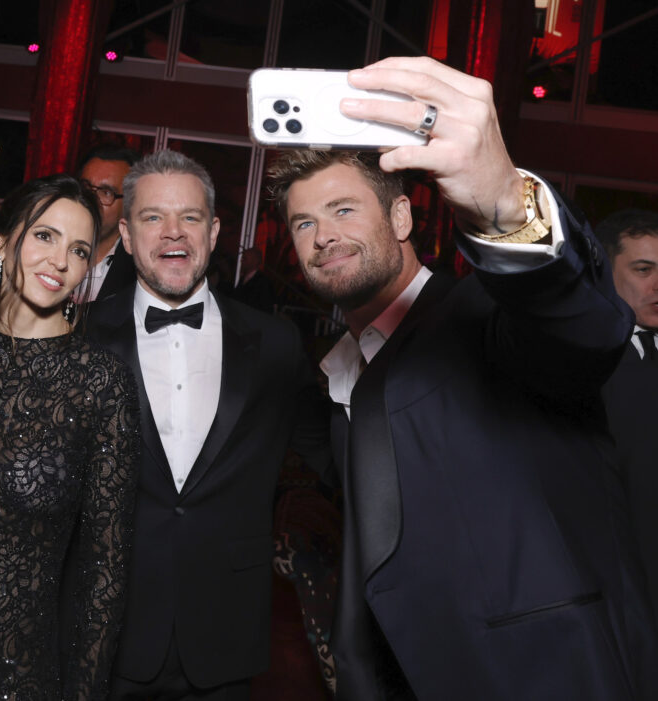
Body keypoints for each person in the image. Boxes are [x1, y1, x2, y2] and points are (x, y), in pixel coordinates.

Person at [266, 56, 658, 699]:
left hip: (544, 675)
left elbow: (585, 328)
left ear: (400, 219)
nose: (322, 237)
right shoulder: (337, 376)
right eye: (304, 223)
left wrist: (505, 204)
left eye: (343, 210)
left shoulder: (485, 315)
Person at [85, 150, 330, 700]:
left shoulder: (275, 343)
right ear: (125, 234)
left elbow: (336, 458)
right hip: (107, 631)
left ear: (214, 230)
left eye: (190, 217)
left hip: (225, 630)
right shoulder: (83, 338)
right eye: (153, 218)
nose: (174, 232)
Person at [0, 174, 140, 700]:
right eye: (45, 236)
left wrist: (84, 692)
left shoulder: (99, 384)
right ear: (1, 240)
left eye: (79, 249)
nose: (60, 261)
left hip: (16, 670)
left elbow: (105, 571)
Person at [596, 209, 658, 620]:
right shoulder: (584, 363)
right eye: (643, 269)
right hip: (617, 597)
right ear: (604, 271)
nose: (657, 285)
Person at [74, 144, 139, 302]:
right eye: (86, 188)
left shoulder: (139, 274)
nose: (91, 199)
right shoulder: (47, 250)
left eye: (106, 192)